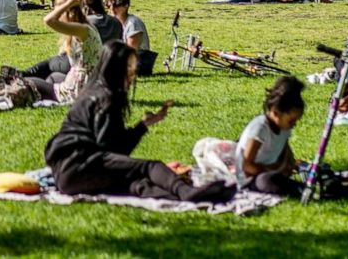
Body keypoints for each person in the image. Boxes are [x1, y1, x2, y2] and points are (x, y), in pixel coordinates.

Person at [44, 41, 231, 202]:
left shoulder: (90, 93)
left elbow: (110, 148)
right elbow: (112, 150)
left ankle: (180, 197)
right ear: (118, 69)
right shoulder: (107, 99)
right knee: (150, 166)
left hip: (65, 176)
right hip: (81, 166)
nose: (133, 75)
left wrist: (144, 124)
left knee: (134, 182)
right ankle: (187, 192)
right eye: (130, 68)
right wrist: (140, 129)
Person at [22, 0, 101, 103]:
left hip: (80, 88)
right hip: (91, 83)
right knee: (53, 76)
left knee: (26, 81)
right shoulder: (86, 26)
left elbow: (48, 20)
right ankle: (44, 95)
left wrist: (69, 3)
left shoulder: (82, 30)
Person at [237, 77, 304, 195]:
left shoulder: (284, 128)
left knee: (279, 180)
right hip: (249, 177)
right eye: (291, 121)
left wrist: (290, 165)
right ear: (276, 113)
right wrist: (273, 170)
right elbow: (246, 165)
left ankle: (303, 189)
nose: (294, 125)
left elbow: (285, 150)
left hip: (270, 172)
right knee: (266, 180)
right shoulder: (260, 128)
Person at [106, 0, 154, 75]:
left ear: (126, 6)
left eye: (116, 6)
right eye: (109, 6)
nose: (112, 9)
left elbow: (130, 52)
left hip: (139, 64)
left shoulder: (133, 23)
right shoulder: (117, 24)